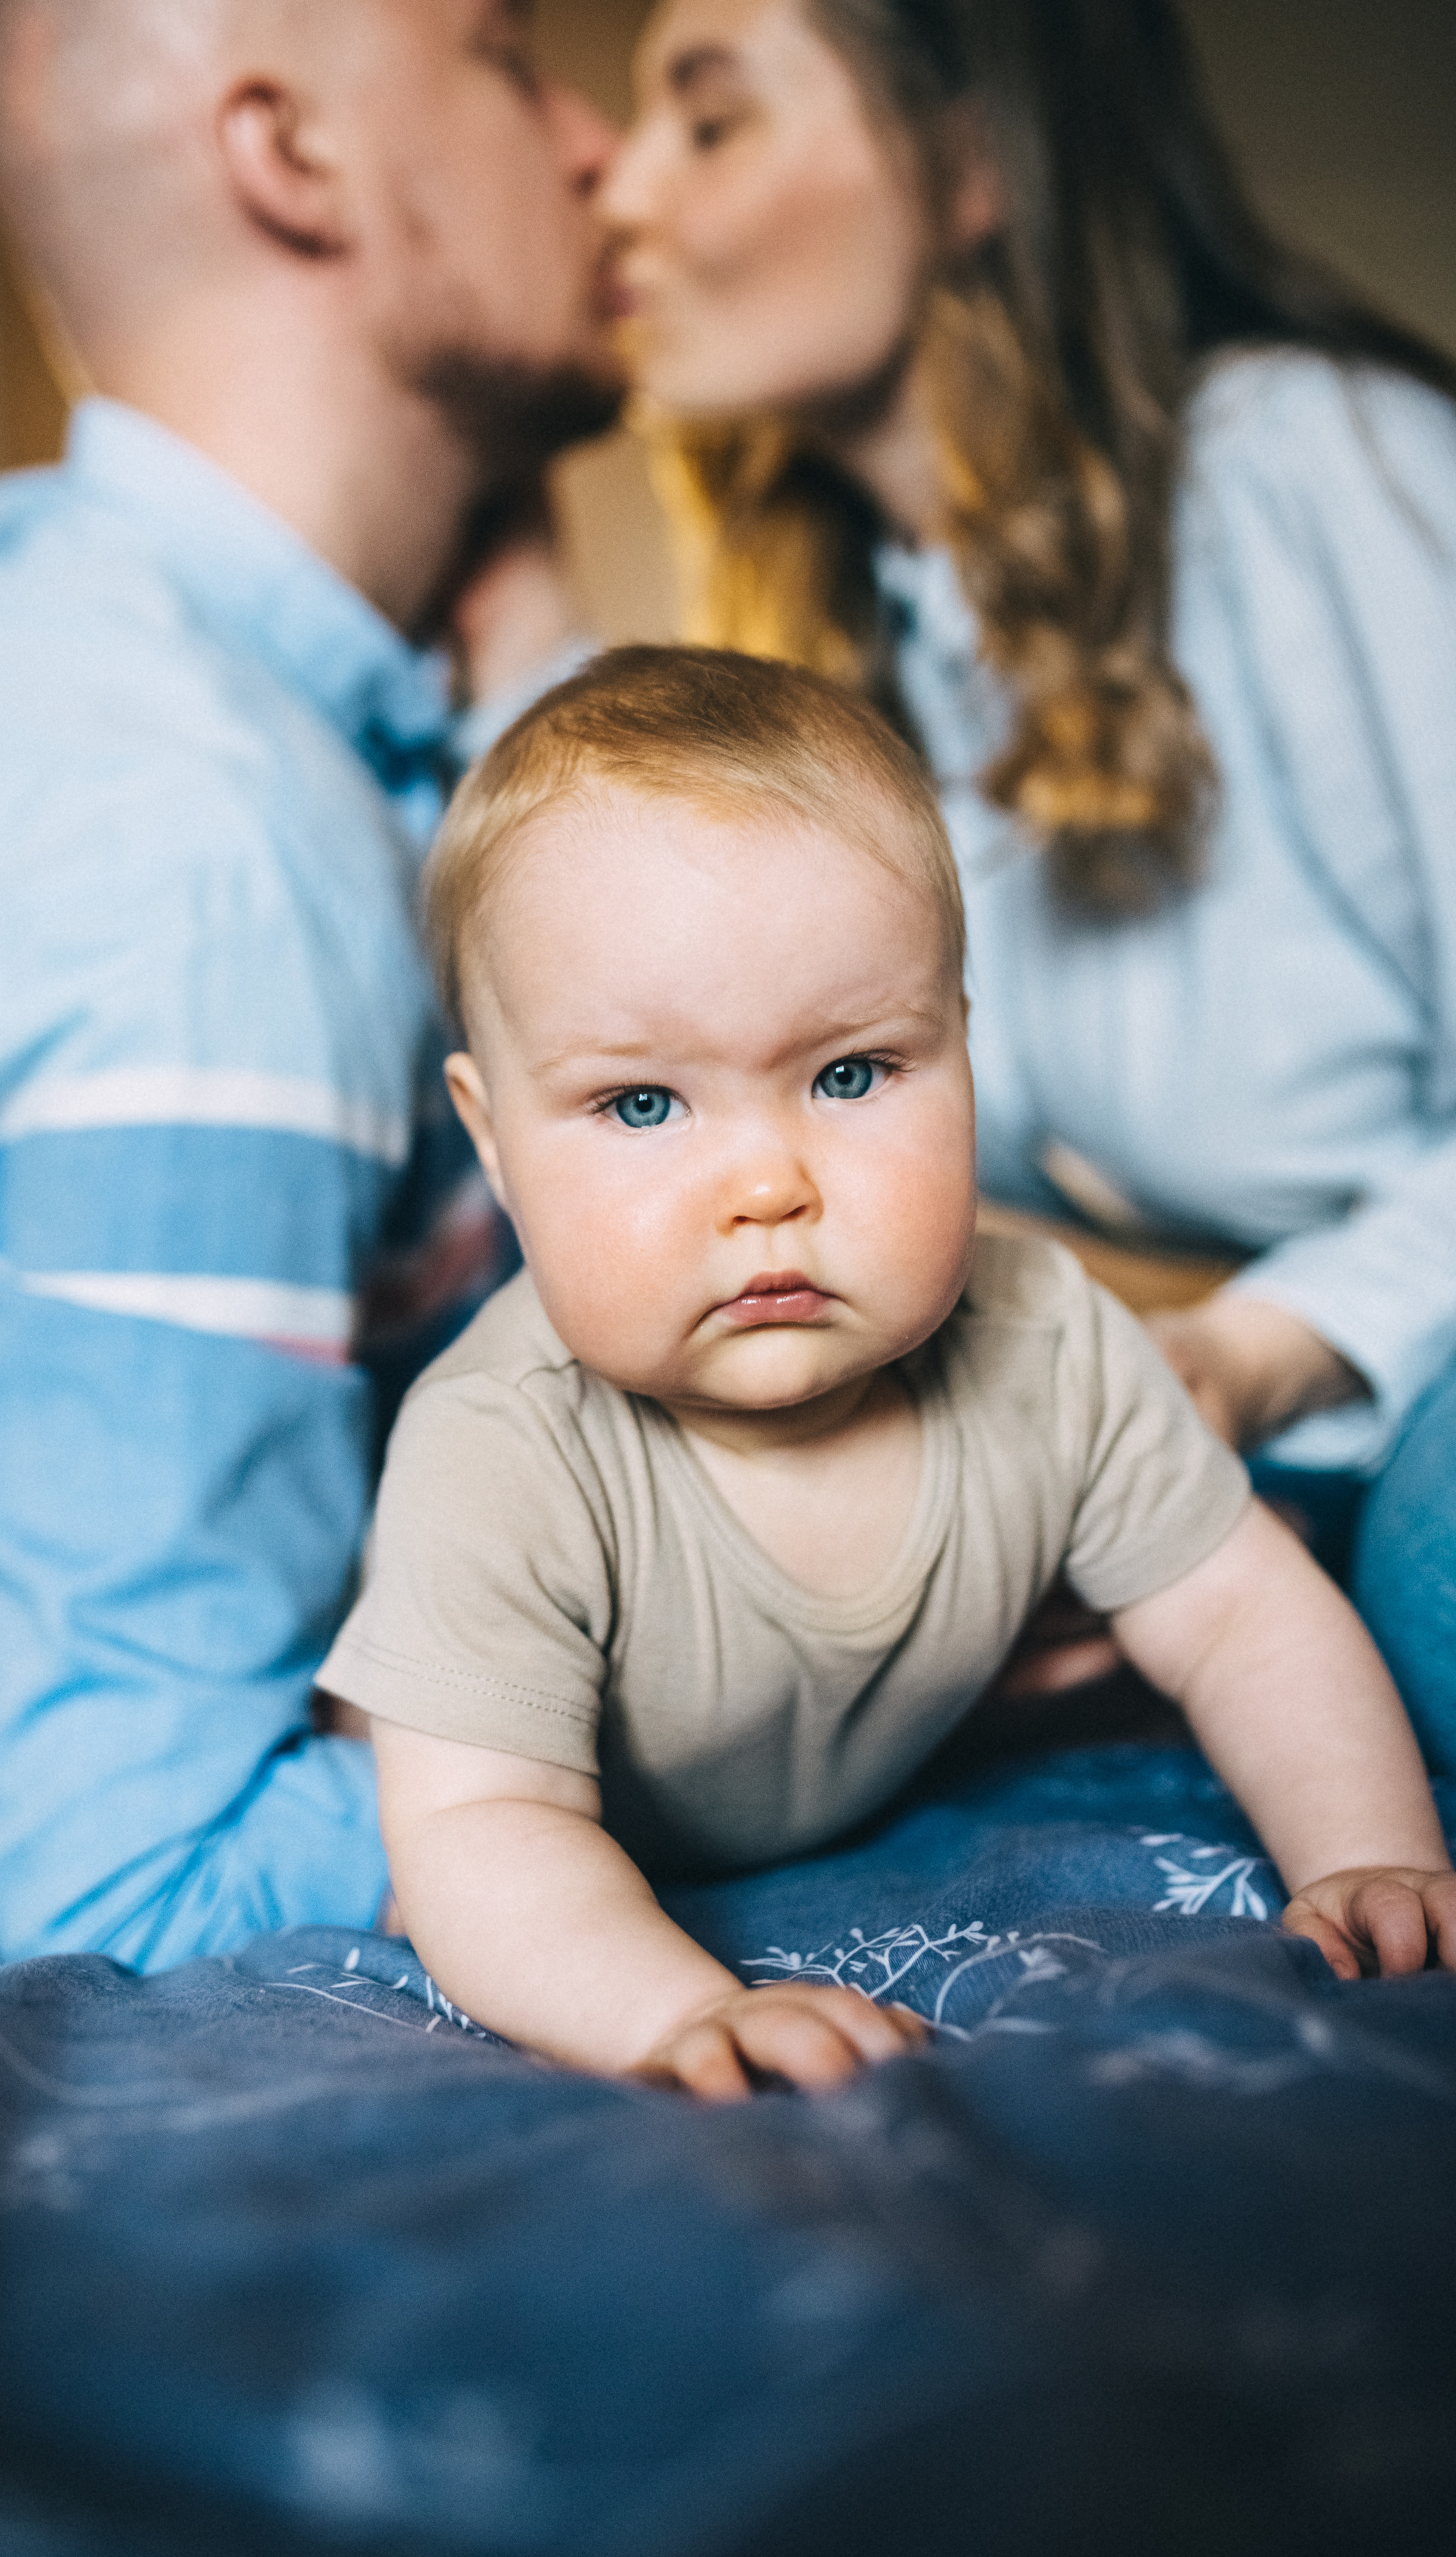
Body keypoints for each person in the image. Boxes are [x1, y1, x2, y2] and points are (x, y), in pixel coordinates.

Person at [0, 0, 623, 1970]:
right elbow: (150, 1879)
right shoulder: (188, 862)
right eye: (505, 55)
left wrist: (544, 686)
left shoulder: (126, 645)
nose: (594, 143)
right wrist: (805, 1704)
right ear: (285, 155)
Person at [319, 646, 1456, 2098]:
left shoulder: (1042, 1335)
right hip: (498, 1768)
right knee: (454, 1844)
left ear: (961, 1049)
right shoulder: (501, 1450)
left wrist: (1369, 1851)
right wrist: (673, 2016)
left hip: (818, 1744)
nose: (767, 1185)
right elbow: (485, 1828)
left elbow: (1241, 1620)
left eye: (850, 1073)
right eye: (642, 1102)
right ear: (491, 1137)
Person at [598, 0, 1456, 1759]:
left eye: (705, 119)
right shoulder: (864, 649)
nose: (616, 187)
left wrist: (1265, 1351)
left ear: (973, 156)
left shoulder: (1315, 469)